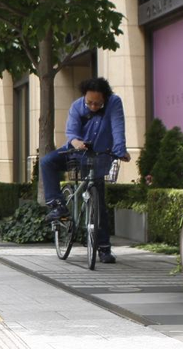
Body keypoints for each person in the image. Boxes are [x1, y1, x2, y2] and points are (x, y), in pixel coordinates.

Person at [39, 77, 130, 264]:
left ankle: (104, 248)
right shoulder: (76, 106)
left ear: (105, 98)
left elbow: (118, 127)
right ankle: (58, 205)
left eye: (98, 103)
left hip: (99, 157)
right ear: (84, 97)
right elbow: (71, 132)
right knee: (47, 162)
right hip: (76, 153)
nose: (93, 106)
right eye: (89, 103)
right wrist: (76, 142)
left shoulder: (114, 103)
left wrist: (120, 150)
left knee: (99, 202)